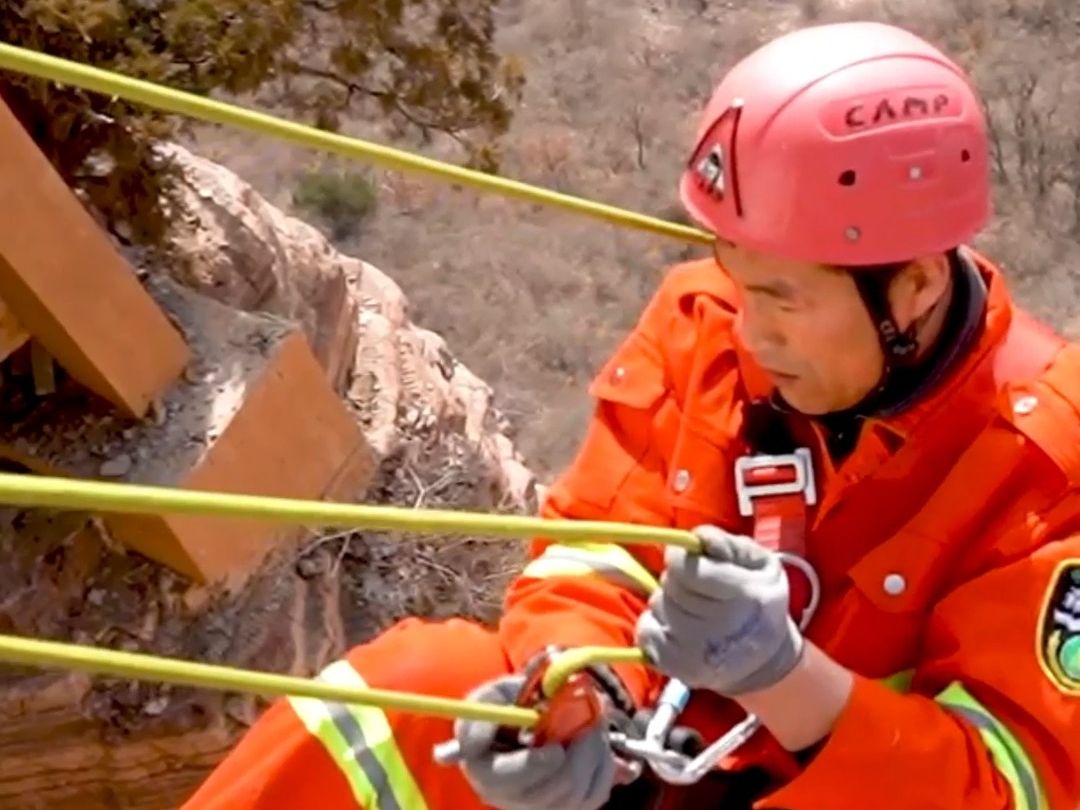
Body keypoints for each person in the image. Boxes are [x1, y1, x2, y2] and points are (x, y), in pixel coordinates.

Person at [181, 20, 1080, 810]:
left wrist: (787, 681)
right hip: (668, 769)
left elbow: (1009, 789)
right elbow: (595, 552)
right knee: (413, 692)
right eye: (734, 273)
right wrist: (583, 703)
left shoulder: (1046, 470)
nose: (751, 330)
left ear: (915, 283)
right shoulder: (704, 326)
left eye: (784, 297)